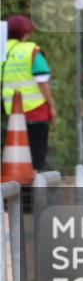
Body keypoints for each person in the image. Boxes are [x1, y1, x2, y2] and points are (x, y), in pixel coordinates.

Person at [0, 16, 57, 171]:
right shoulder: (31, 50)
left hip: (11, 111)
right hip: (35, 109)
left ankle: (18, 183)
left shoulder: (2, 51)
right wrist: (51, 104)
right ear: (25, 33)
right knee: (37, 152)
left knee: (16, 153)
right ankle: (34, 182)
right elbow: (42, 81)